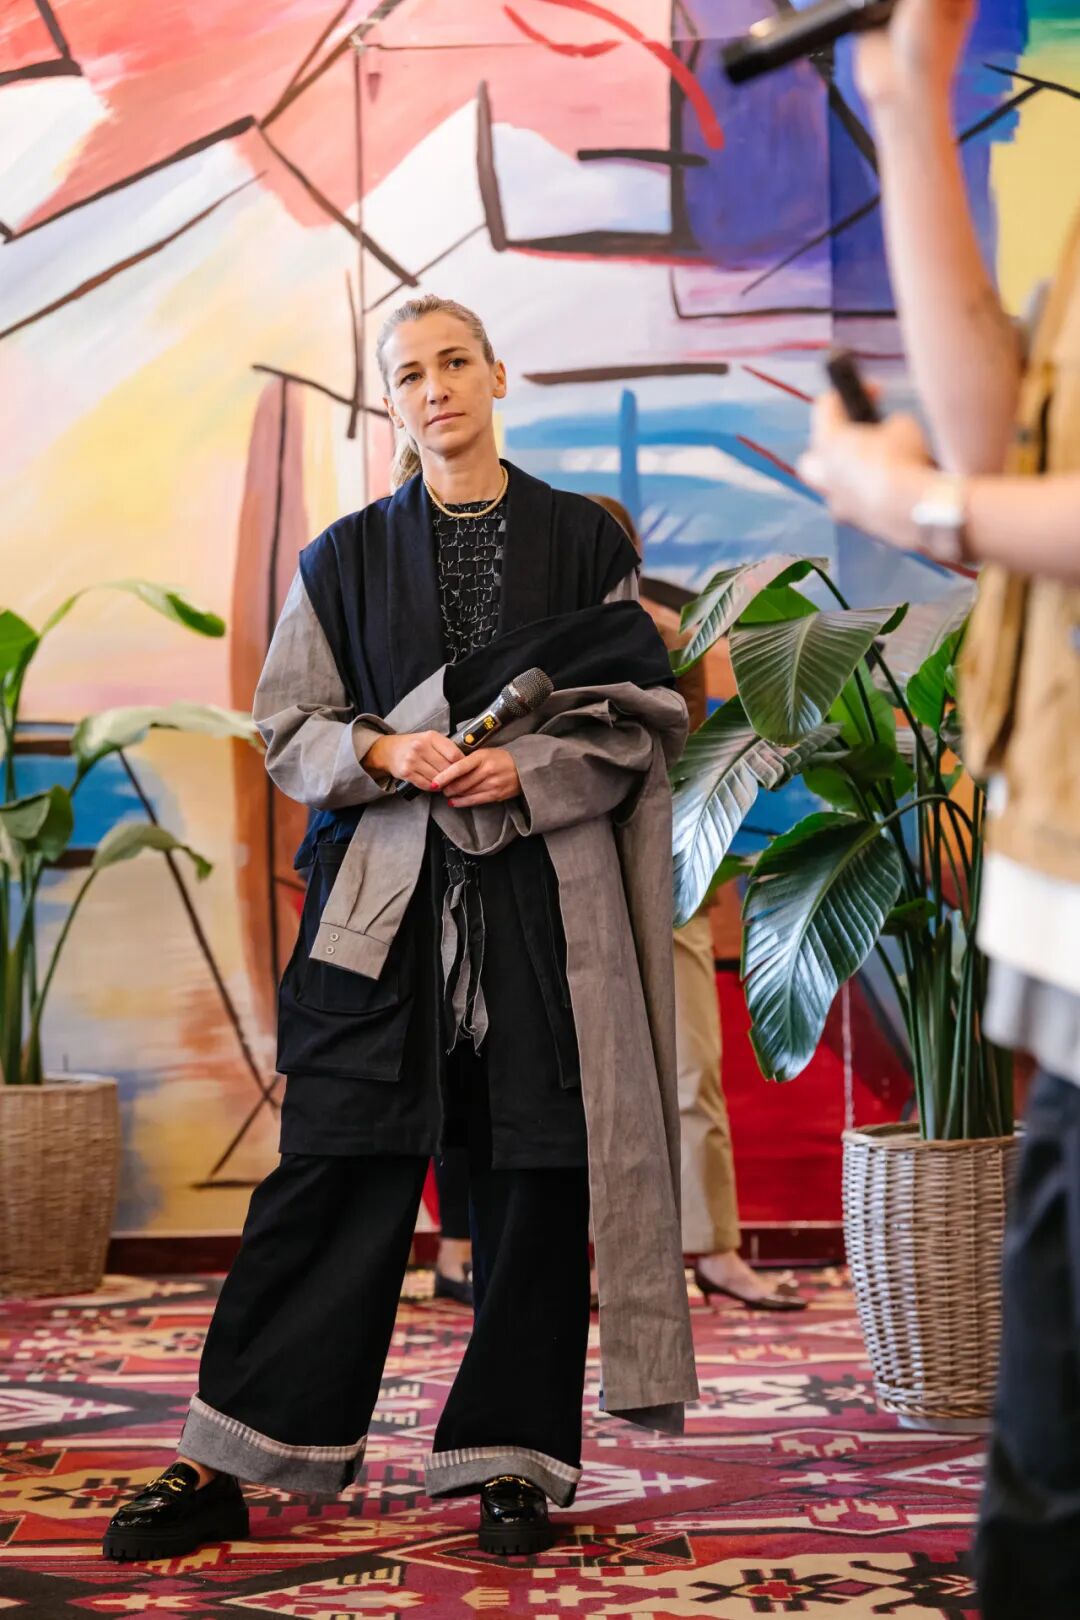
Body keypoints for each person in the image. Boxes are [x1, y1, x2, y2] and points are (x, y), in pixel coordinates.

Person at [102, 294, 697, 1565]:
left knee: (536, 1174)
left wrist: (528, 769)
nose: (436, 387)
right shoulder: (344, 557)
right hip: (380, 909)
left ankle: (512, 1459)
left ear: (496, 376)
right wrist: (385, 750)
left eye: (455, 362)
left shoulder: (583, 541)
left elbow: (640, 719)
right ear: (392, 403)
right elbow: (289, 727)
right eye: (411, 372)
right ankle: (229, 1457)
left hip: (542, 903)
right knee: (332, 1165)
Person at [796, 3, 1080, 1612]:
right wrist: (904, 99)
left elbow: (969, 487)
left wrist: (917, 503)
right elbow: (1005, 441)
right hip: (1062, 854)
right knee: (1045, 1466)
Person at [590, 496, 804, 1312]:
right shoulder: (532, 637)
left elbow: (677, 752)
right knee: (583, 1079)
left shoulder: (670, 638)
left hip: (668, 861)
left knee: (690, 1063)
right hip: (564, 864)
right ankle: (606, 1260)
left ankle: (714, 1249)